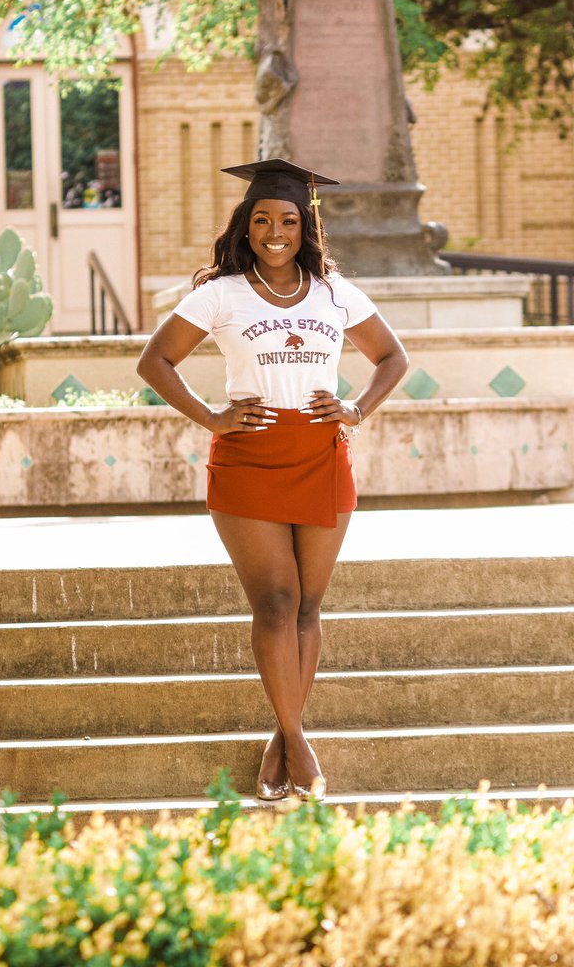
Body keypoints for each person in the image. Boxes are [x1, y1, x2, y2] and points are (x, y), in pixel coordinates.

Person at [137, 158, 408, 801]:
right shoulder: (220, 294)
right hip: (249, 458)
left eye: (287, 220)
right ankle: (299, 743)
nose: (275, 232)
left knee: (309, 606)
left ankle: (282, 740)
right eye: (262, 220)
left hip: (321, 454)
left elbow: (393, 357)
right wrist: (212, 417)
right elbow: (156, 361)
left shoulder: (335, 294)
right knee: (277, 603)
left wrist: (356, 408)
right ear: (246, 225)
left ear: (305, 226)